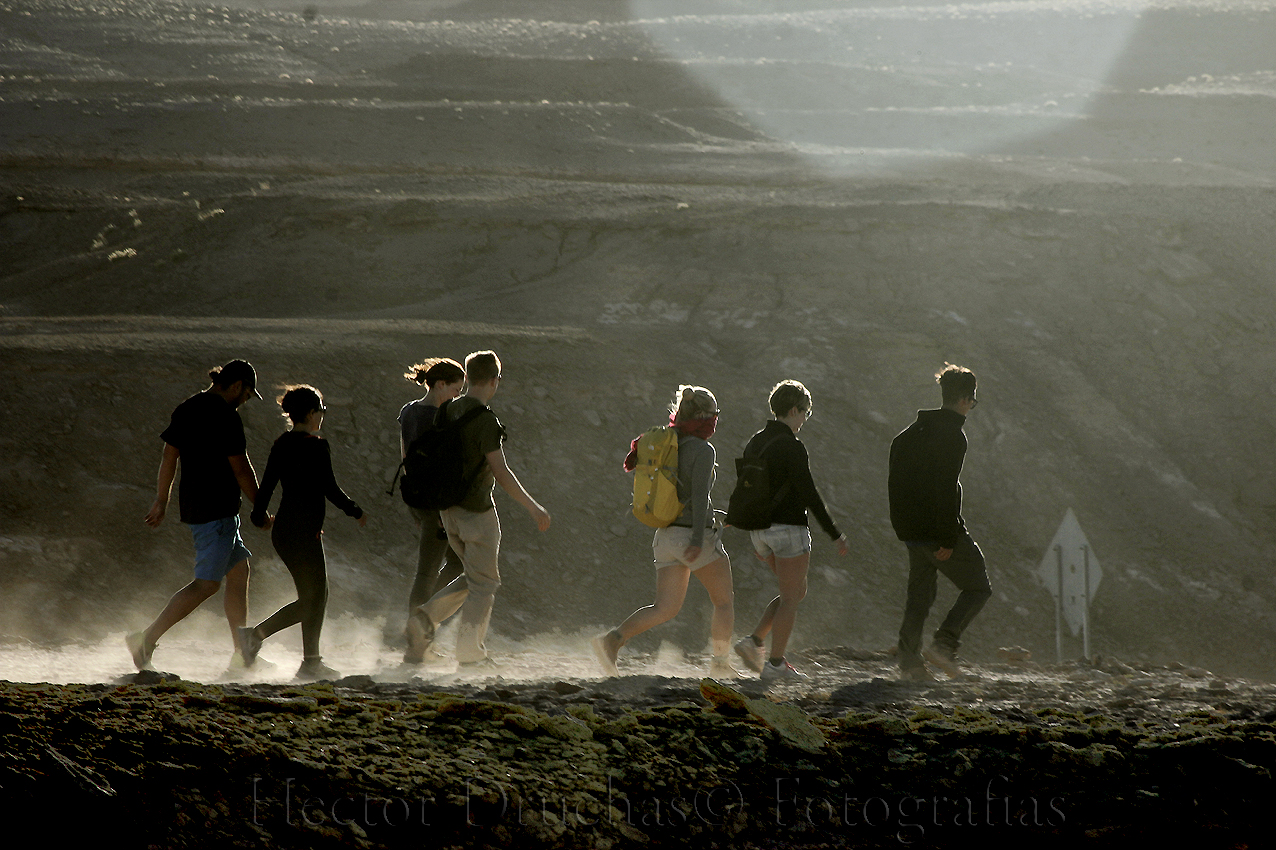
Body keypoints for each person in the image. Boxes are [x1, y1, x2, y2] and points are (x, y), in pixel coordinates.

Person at [405, 350, 551, 668]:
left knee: (475, 578)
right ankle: (470, 654)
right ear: (494, 380)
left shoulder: (447, 410)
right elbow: (501, 472)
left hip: (447, 510)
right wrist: (533, 506)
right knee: (484, 585)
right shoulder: (485, 420)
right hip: (476, 511)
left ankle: (426, 618)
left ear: (468, 377)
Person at [129, 359, 268, 671]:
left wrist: (161, 500)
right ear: (235, 386)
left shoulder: (188, 407)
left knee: (239, 572)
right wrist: (261, 508)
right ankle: (146, 640)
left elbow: (169, 457)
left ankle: (241, 654)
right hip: (216, 511)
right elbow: (241, 469)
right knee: (206, 584)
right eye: (247, 394)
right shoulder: (226, 417)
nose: (246, 400)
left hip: (200, 508)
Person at [593, 385, 736, 679]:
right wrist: (698, 539)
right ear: (703, 417)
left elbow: (682, 496)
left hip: (666, 536)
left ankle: (612, 641)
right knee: (723, 602)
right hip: (692, 537)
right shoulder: (703, 449)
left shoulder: (667, 444)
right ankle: (720, 665)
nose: (715, 421)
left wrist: (715, 515)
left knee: (664, 608)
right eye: (713, 416)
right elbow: (698, 496)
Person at [238, 385, 366, 681]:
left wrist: (259, 517)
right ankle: (257, 637)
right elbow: (329, 488)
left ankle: (311, 661)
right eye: (322, 411)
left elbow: (267, 485)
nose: (323, 416)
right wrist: (355, 510)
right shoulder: (316, 444)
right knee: (313, 598)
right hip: (304, 532)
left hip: (284, 531)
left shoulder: (281, 443)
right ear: (311, 413)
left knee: (315, 596)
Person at [733, 380, 849, 682]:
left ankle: (753, 642)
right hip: (788, 531)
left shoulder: (755, 441)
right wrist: (834, 533)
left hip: (758, 532)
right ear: (795, 409)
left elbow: (746, 488)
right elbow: (809, 494)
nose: (804, 421)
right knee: (790, 597)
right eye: (805, 414)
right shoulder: (793, 446)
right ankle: (775, 664)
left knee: (794, 592)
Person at [888, 363, 992, 681]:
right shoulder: (953, 436)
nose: (972, 407)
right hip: (937, 532)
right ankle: (944, 646)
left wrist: (905, 530)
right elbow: (945, 488)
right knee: (977, 587)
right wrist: (947, 538)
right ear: (965, 399)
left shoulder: (906, 435)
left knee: (919, 596)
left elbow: (895, 484)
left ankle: (910, 664)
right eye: (973, 401)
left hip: (910, 530)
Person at [398, 357, 466, 662]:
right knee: (429, 571)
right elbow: (441, 467)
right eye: (455, 389)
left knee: (452, 564)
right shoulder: (439, 416)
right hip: (436, 504)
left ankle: (421, 624)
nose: (457, 395)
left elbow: (405, 459)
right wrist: (439, 510)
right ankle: (417, 639)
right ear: (440, 385)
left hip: (417, 498)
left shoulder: (409, 411)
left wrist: (416, 506)